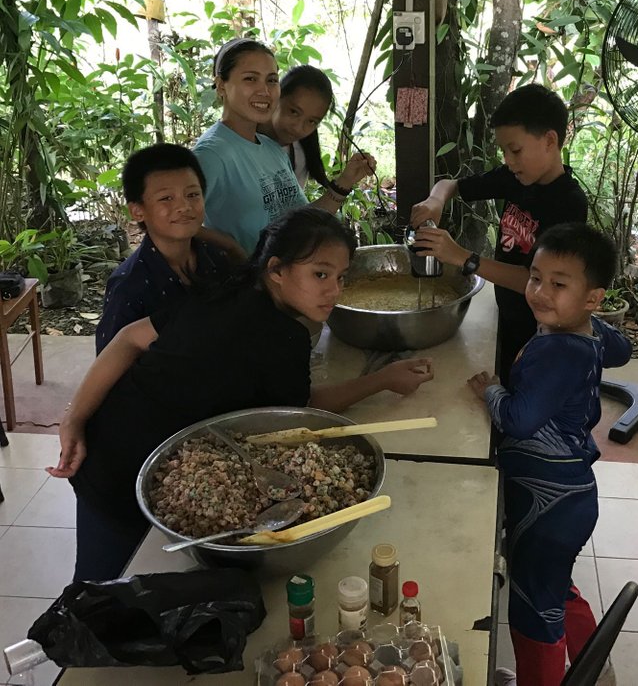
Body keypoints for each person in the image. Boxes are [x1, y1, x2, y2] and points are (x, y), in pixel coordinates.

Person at [47, 207, 434, 582]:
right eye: (320, 274)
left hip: (105, 439)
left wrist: (76, 418)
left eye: (341, 277)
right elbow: (303, 410)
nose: (334, 290)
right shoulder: (282, 337)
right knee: (97, 595)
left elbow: (130, 337)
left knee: (100, 587)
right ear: (277, 270)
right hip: (127, 471)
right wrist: (382, 379)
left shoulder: (226, 286)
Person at [467, 223, 632, 686]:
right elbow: (621, 348)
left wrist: (492, 391)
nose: (539, 291)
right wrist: (586, 321)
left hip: (548, 503)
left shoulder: (556, 352)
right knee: (553, 587)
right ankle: (591, 666)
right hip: (571, 495)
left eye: (559, 285)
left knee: (531, 604)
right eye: (535, 277)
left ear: (593, 297)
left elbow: (518, 419)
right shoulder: (585, 335)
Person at [410, 84, 587, 383]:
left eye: (515, 150)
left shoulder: (568, 203)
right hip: (506, 314)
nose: (508, 160)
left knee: (525, 396)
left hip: (539, 330)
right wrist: (435, 201)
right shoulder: (515, 178)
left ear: (550, 140)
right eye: (504, 151)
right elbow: (450, 185)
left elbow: (534, 281)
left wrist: (462, 257)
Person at [194, 39, 371, 258]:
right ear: (221, 85)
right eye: (250, 79)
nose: (264, 91)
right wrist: (231, 247)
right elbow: (171, 223)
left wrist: (345, 182)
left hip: (281, 282)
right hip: (243, 287)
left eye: (271, 80)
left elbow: (301, 223)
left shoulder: (271, 148)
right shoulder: (212, 153)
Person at [95, 143, 231, 354]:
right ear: (137, 211)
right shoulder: (129, 286)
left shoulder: (218, 260)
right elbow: (110, 365)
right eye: (167, 198)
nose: (184, 206)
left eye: (193, 195)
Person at [258, 64, 376, 193]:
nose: (298, 128)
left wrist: (346, 180)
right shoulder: (239, 143)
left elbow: (296, 212)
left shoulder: (299, 153)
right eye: (294, 112)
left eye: (311, 121)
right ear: (277, 95)